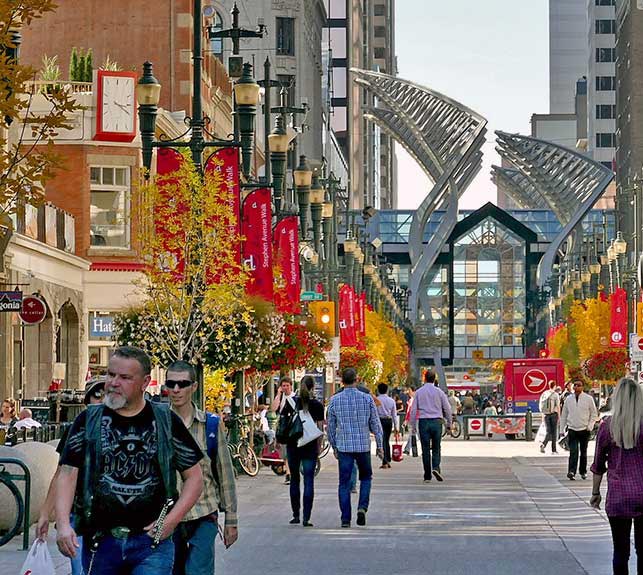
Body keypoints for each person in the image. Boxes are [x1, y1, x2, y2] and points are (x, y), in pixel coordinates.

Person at [55, 346, 204, 575]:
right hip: (100, 542)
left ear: (145, 383)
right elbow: (67, 473)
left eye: (124, 377)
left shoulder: (165, 420)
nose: (114, 382)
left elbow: (194, 477)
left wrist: (171, 521)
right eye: (111, 374)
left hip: (151, 544)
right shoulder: (89, 420)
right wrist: (63, 524)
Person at [166, 360, 238, 575]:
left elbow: (225, 474)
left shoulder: (211, 425)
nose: (176, 390)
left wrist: (231, 520)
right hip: (168, 518)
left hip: (203, 514)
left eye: (182, 384)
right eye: (171, 384)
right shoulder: (158, 423)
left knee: (199, 571)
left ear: (194, 387)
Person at [37, 376, 106, 575]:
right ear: (87, 401)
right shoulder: (77, 429)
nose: (101, 399)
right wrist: (45, 513)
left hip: (113, 518)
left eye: (106, 394)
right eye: (96, 395)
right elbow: (61, 474)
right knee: (81, 570)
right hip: (80, 514)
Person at [590, 377, 643, 574]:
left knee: (620, 552)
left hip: (619, 496)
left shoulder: (607, 427)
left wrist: (595, 493)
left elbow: (598, 465)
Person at [327, 367, 383, 528]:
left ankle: (345, 518)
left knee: (344, 483)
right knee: (366, 478)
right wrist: (380, 446)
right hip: (363, 446)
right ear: (357, 380)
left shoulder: (335, 400)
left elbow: (330, 427)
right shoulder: (367, 399)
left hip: (344, 447)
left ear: (342, 381)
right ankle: (362, 507)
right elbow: (375, 425)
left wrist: (334, 446)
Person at [285, 375, 324, 527]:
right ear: (313, 387)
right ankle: (306, 517)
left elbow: (284, 426)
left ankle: (295, 515)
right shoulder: (317, 405)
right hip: (309, 446)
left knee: (294, 479)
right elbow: (320, 428)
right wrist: (318, 447)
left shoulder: (291, 402)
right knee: (309, 480)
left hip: (293, 445)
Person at [409, 370, 452, 483]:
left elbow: (413, 410)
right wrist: (449, 423)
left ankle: (427, 475)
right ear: (434, 379)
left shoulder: (418, 392)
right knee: (437, 447)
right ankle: (436, 467)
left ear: (425, 378)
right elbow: (447, 408)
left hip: (423, 421)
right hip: (437, 421)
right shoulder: (440, 392)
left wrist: (413, 425)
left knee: (425, 449)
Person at [560, 378, 598, 480]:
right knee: (573, 451)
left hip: (584, 429)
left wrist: (590, 426)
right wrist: (561, 430)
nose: (576, 387)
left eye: (578, 385)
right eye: (575, 385)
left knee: (583, 452)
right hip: (572, 429)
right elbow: (564, 415)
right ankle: (571, 471)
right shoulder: (568, 399)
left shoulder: (588, 399)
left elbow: (594, 414)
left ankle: (583, 471)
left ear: (582, 387)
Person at [272, 376, 297, 484]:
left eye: (287, 385)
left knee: (293, 451)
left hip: (294, 427)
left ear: (291, 386)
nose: (285, 388)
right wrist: (278, 394)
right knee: (285, 452)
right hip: (284, 427)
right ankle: (288, 473)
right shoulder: (281, 397)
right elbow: (273, 408)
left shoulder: (295, 397)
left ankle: (290, 472)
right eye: (283, 386)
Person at [376, 383, 398, 469]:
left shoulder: (376, 400)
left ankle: (385, 461)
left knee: (382, 440)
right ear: (387, 390)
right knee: (386, 440)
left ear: (378, 390)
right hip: (388, 421)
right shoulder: (391, 401)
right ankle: (387, 459)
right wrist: (396, 426)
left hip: (379, 421)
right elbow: (394, 414)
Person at [539, 380, 560, 454]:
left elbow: (541, 405)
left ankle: (543, 444)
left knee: (548, 431)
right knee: (554, 432)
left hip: (545, 415)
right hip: (553, 414)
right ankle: (553, 450)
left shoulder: (544, 393)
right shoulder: (555, 394)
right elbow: (557, 406)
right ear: (554, 386)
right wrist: (559, 416)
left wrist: (542, 415)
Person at [403, 387, 418, 457]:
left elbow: (409, 411)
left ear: (413, 391)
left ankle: (408, 449)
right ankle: (407, 449)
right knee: (413, 435)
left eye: (409, 390)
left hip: (414, 419)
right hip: (416, 419)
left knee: (413, 435)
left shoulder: (413, 400)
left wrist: (406, 420)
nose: (408, 392)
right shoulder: (414, 399)